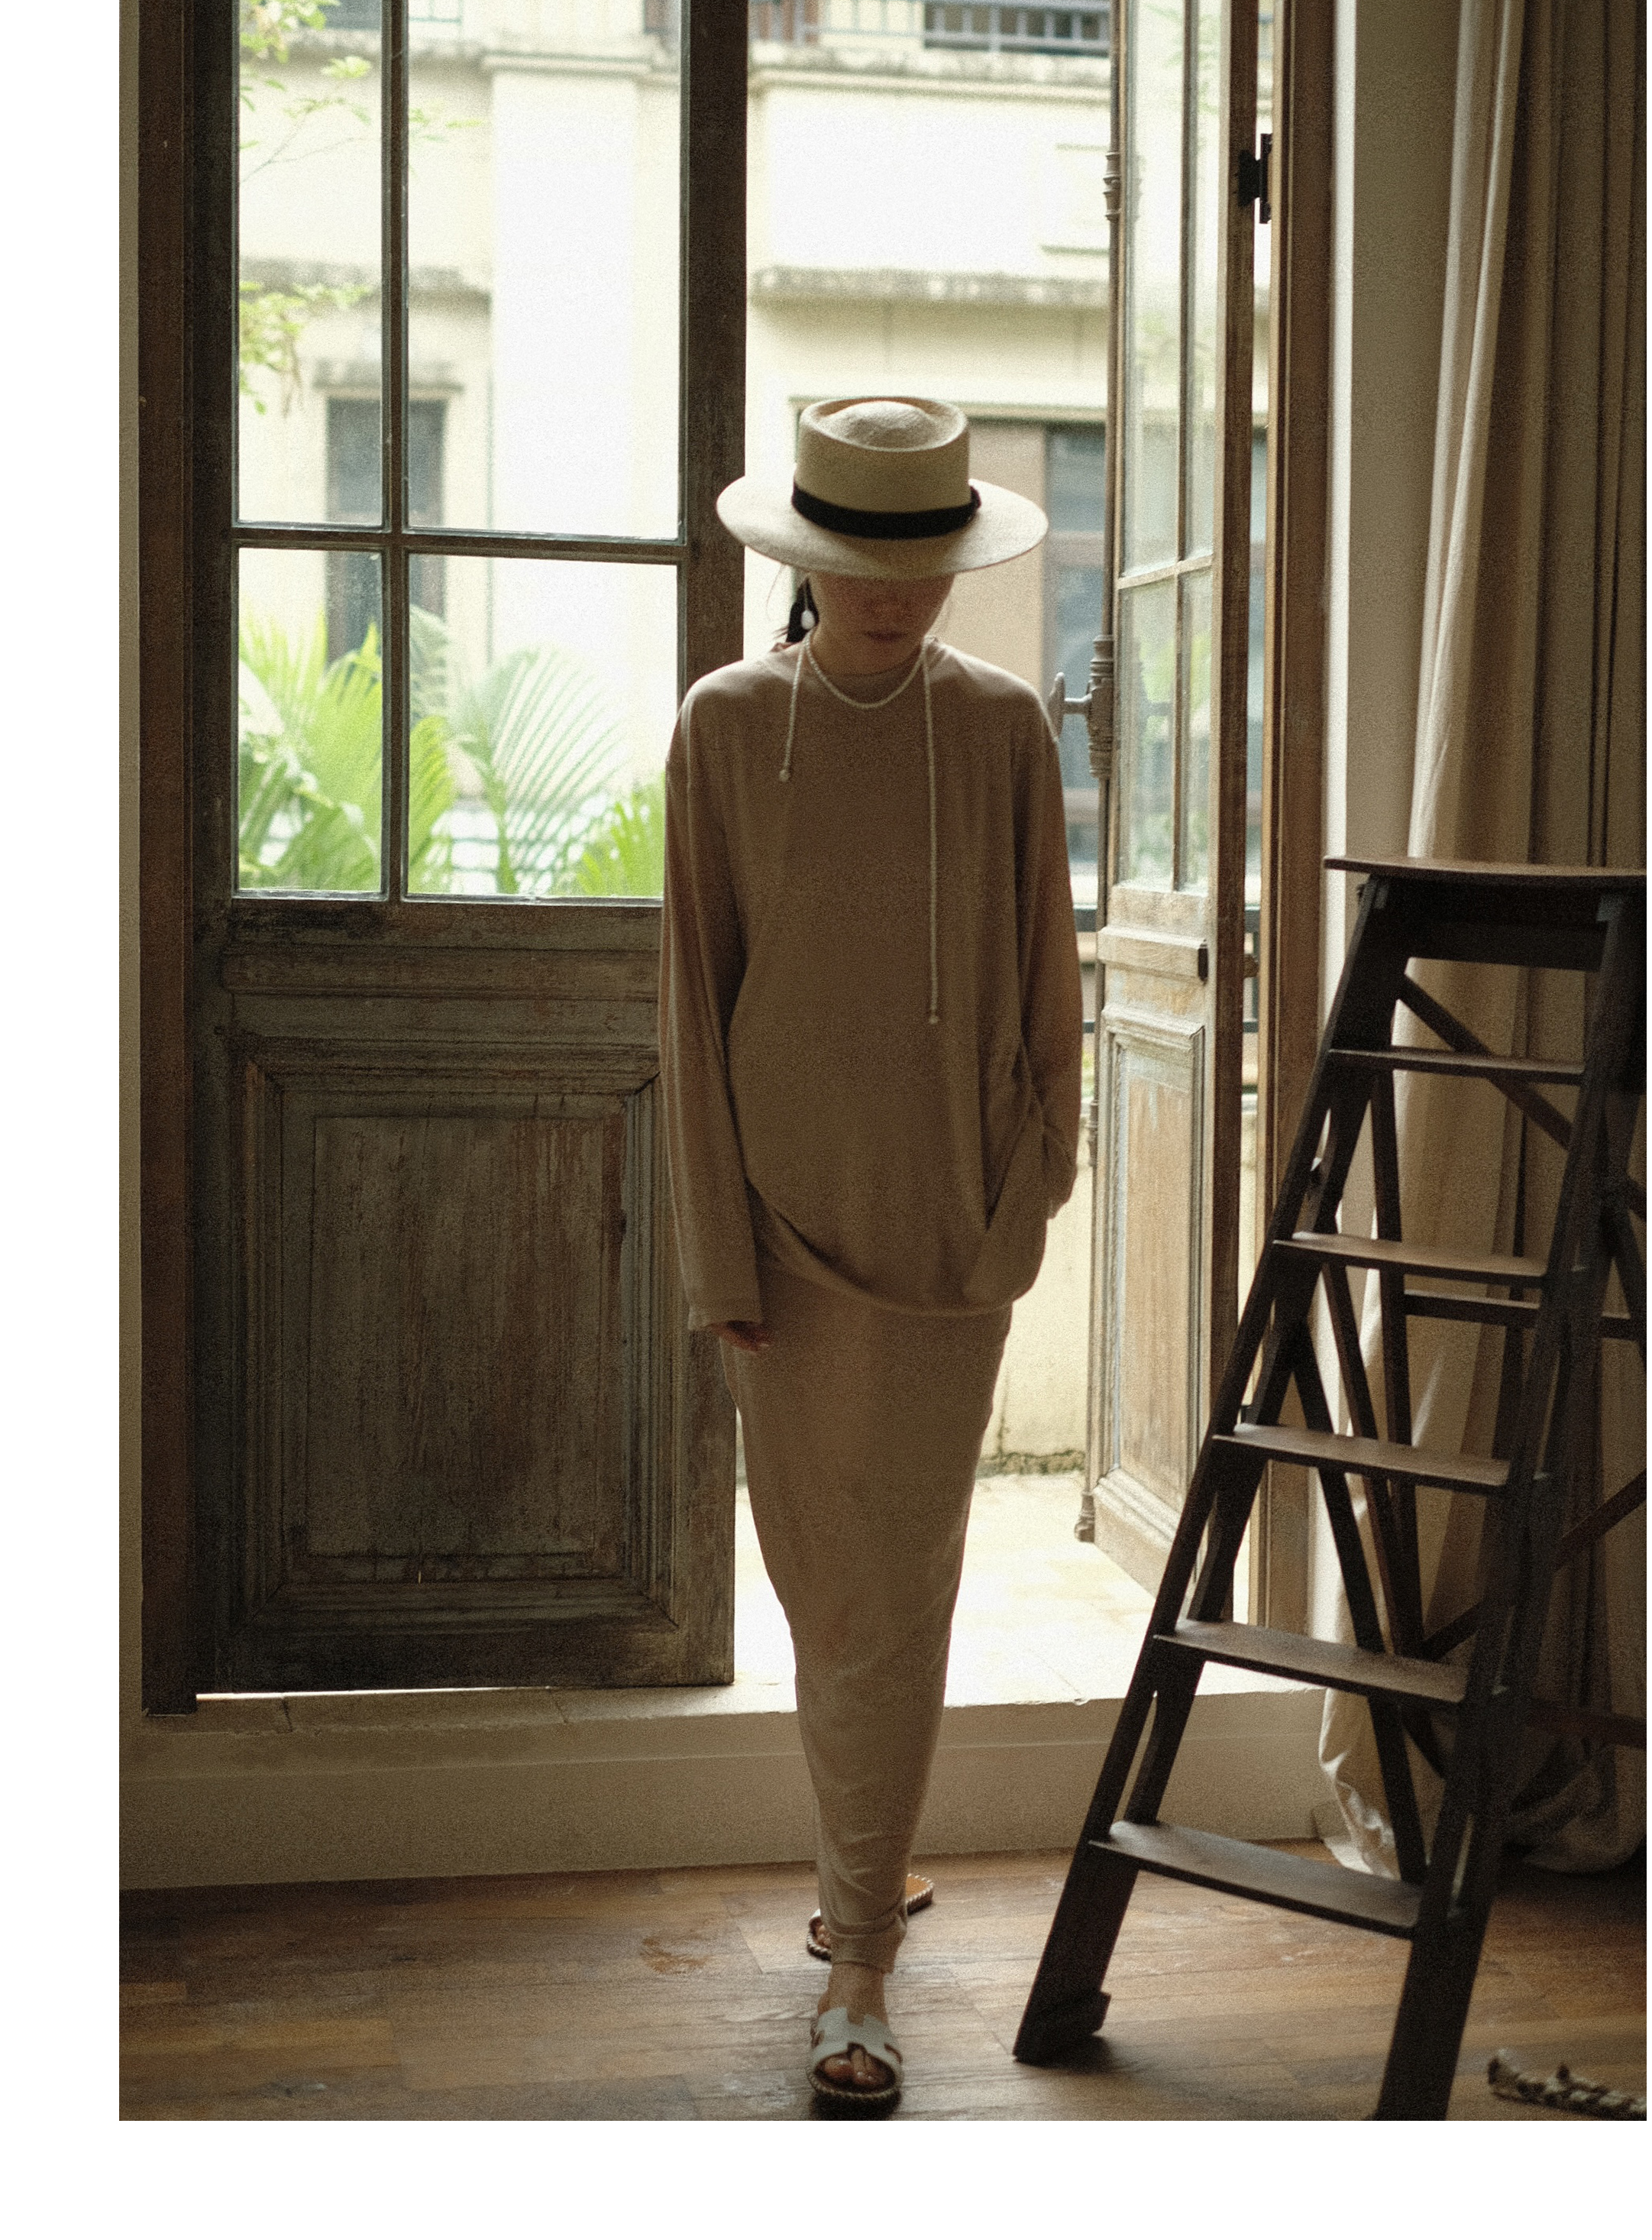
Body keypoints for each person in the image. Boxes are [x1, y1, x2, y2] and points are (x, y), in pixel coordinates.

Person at [659, 397, 1084, 2112]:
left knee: (894, 1598)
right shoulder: (723, 725)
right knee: (824, 1593)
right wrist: (719, 1257)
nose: (893, 594)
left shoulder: (1000, 730)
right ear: (805, 556)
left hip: (944, 1243)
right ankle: (870, 1865)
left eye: (921, 563)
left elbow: (1050, 982)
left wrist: (1024, 1196)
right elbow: (690, 1003)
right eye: (859, 561)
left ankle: (859, 1968)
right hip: (779, 1231)